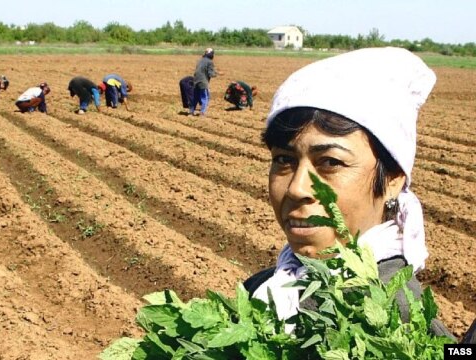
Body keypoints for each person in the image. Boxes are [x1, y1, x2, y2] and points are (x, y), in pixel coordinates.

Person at [242, 47, 458, 339]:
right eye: (283, 159)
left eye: (330, 162)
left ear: (393, 179)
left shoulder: (399, 326)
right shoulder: (260, 289)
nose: (297, 188)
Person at [189, 48, 219, 116]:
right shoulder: (210, 62)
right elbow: (211, 74)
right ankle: (202, 112)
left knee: (195, 97)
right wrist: (218, 74)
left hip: (196, 81)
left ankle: (191, 111)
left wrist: (216, 72)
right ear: (211, 54)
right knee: (205, 97)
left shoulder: (200, 61)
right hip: (203, 82)